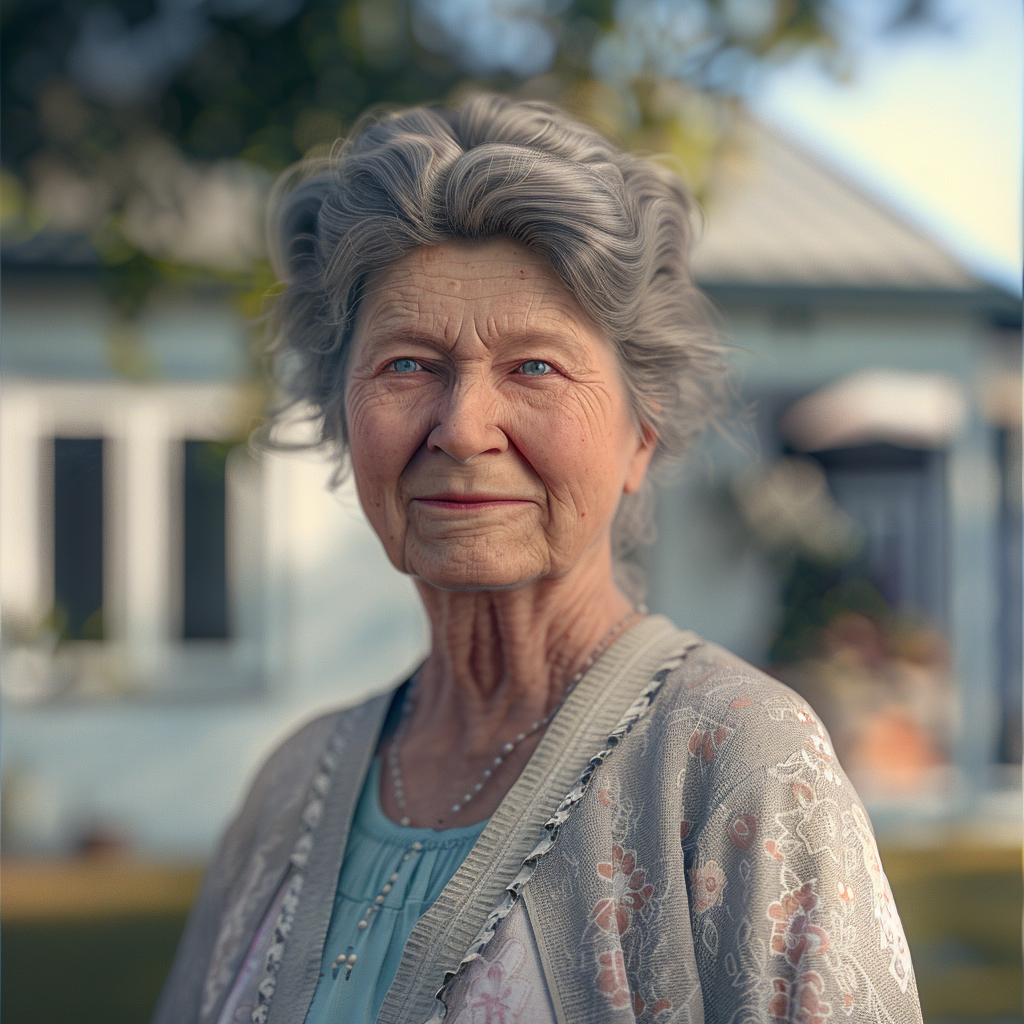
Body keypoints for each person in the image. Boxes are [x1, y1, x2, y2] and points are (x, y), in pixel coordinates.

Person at [153, 94, 922, 1024]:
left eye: (535, 367)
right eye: (406, 364)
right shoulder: (292, 785)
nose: (464, 427)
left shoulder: (734, 763)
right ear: (340, 414)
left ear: (642, 434)